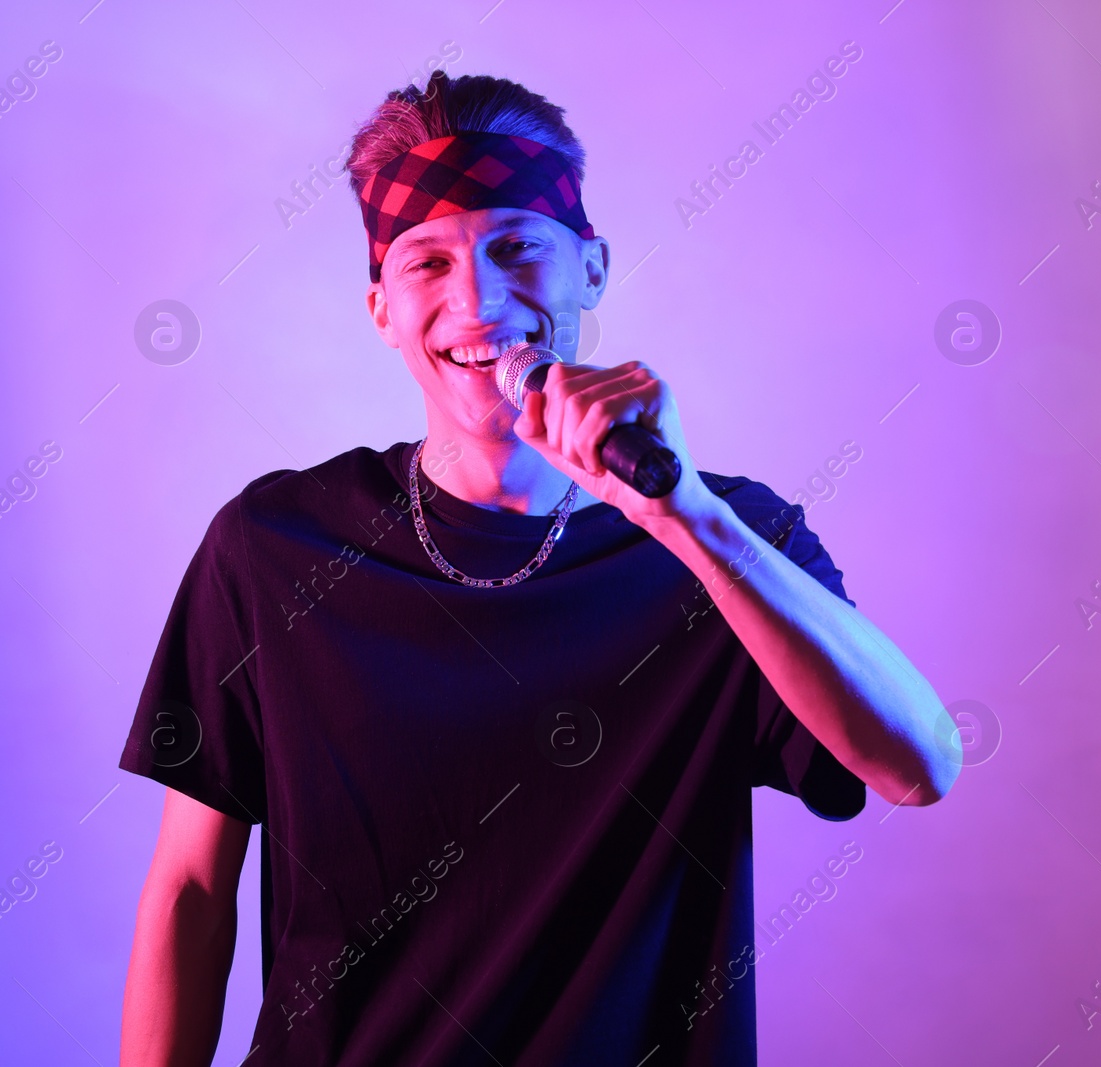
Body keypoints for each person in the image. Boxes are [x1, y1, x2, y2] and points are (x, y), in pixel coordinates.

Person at [117, 70, 957, 1066]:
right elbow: (191, 888)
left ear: (590, 270)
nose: (478, 298)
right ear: (382, 309)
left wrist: (686, 515)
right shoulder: (272, 546)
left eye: (516, 247)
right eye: (428, 262)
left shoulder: (729, 540)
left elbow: (916, 764)